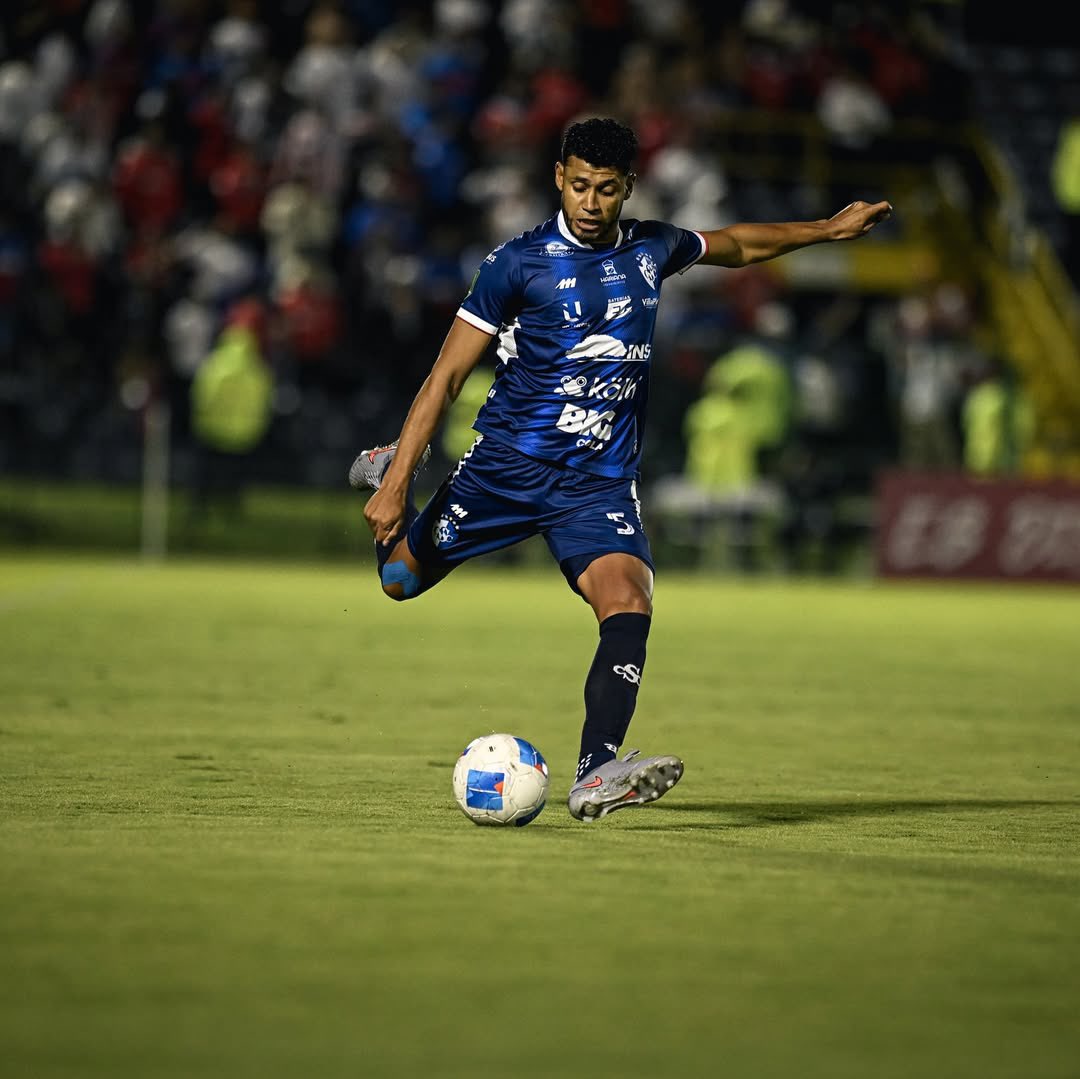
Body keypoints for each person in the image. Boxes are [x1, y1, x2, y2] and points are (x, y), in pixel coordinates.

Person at [349, 117, 891, 822]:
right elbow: (446, 376)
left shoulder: (651, 249)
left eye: (607, 190)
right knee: (397, 583)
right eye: (579, 186)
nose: (591, 202)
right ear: (558, 180)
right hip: (506, 467)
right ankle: (392, 466)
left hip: (595, 484)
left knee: (629, 602)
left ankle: (595, 771)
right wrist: (395, 485)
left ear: (627, 188)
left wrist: (826, 229)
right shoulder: (515, 264)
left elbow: (738, 244)